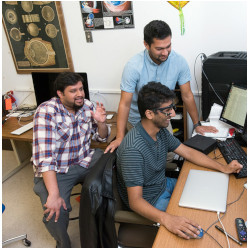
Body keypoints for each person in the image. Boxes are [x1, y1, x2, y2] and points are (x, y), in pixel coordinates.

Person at [116, 82, 242, 239]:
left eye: (172, 108)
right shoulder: (132, 150)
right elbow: (135, 202)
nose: (172, 113)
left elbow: (188, 152)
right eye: (167, 110)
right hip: (151, 201)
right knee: (199, 228)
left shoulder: (159, 131)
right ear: (149, 114)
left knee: (213, 194)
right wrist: (167, 219)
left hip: (164, 184)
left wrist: (223, 167)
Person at [105, 20, 217, 153]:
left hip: (162, 117)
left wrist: (197, 124)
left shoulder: (179, 62)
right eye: (159, 49)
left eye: (168, 46)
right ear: (146, 44)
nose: (165, 53)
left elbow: (187, 95)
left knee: (167, 155)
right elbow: (125, 104)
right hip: (137, 119)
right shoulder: (133, 66)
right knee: (140, 155)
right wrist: (119, 137)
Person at [32, 72, 110, 248]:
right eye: (73, 91)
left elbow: (102, 138)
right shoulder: (46, 112)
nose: (80, 94)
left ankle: (102, 216)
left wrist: (102, 123)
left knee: (113, 166)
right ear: (60, 94)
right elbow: (45, 159)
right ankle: (63, 243)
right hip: (58, 169)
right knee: (55, 210)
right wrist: (54, 194)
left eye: (81, 89)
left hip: (84, 160)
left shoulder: (87, 105)